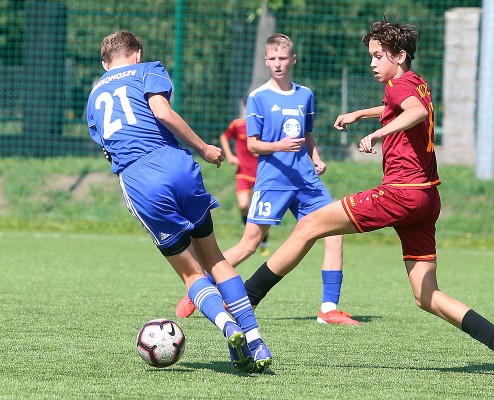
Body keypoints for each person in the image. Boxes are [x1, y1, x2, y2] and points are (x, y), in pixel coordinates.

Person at [241, 21, 494, 379]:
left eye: (378, 56)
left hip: (400, 193)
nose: (372, 63)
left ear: (399, 56)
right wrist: (360, 114)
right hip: (426, 198)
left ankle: (246, 299)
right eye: (371, 56)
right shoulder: (415, 82)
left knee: (309, 224)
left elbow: (415, 112)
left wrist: (376, 134)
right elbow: (401, 106)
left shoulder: (399, 86)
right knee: (426, 295)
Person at [86, 30, 271, 373]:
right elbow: (162, 112)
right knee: (215, 258)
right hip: (176, 164)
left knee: (190, 273)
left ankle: (227, 327)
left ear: (104, 63)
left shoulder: (94, 96)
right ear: (137, 53)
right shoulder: (147, 69)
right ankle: (255, 340)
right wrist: (204, 148)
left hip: (140, 180)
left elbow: (110, 146)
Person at [177, 33, 358, 325]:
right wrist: (280, 146)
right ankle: (200, 288)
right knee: (250, 244)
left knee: (334, 234)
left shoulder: (305, 94)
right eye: (272, 59)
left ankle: (328, 309)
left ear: (293, 59)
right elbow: (252, 145)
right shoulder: (258, 97)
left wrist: (316, 157)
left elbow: (307, 135)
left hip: (306, 181)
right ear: (265, 61)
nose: (277, 63)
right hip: (273, 180)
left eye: (282, 58)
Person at [219, 99, 269, 256]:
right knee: (243, 205)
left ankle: (263, 241)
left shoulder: (265, 126)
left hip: (262, 173)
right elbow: (224, 137)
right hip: (244, 172)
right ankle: (249, 234)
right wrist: (229, 156)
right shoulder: (237, 124)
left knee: (261, 210)